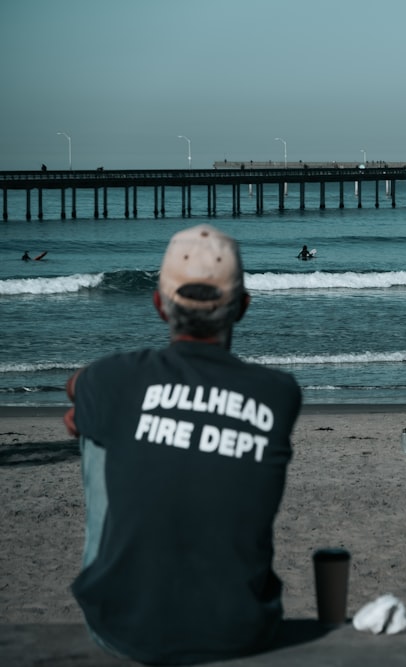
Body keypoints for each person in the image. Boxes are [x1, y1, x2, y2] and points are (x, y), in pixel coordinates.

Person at [63, 224, 302, 665]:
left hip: (122, 630)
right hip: (242, 627)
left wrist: (89, 406)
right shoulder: (279, 392)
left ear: (158, 304)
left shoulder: (116, 378)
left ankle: (114, 579)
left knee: (99, 423)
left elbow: (75, 388)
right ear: (243, 307)